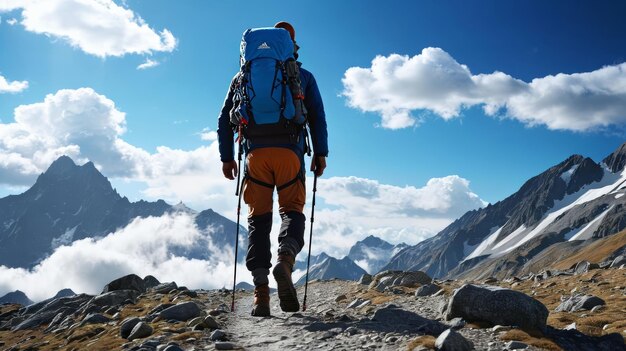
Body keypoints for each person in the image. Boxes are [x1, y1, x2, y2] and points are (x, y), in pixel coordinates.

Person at [217, 21, 328, 316]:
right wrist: (321, 153)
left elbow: (223, 120)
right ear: (291, 45)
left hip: (255, 156)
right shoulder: (303, 77)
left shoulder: (242, 77)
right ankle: (285, 259)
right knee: (292, 211)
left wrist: (227, 158)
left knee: (258, 221)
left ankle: (261, 295)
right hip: (289, 153)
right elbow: (317, 117)